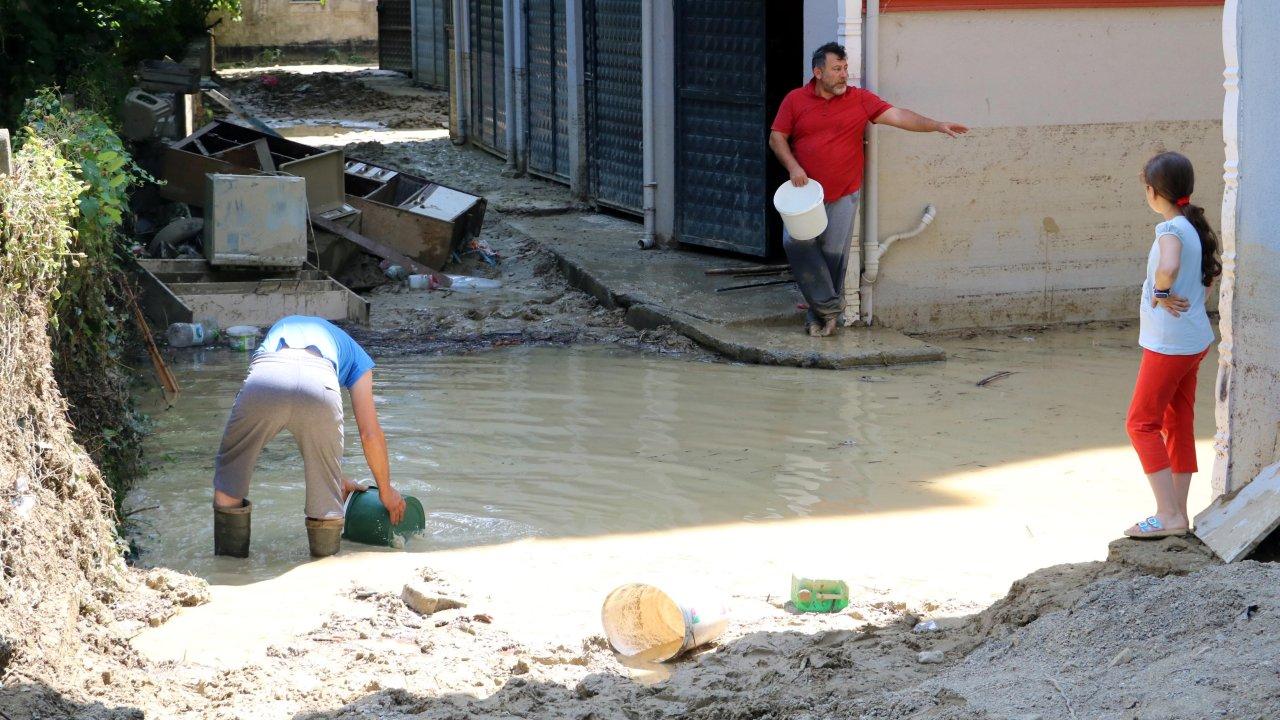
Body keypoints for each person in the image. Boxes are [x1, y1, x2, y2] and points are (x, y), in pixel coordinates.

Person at [769, 42, 968, 337]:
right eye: (837, 69)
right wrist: (793, 167)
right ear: (818, 72)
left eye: (845, 68)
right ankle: (829, 309)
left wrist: (936, 125)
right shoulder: (795, 100)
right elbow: (777, 138)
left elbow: (899, 116)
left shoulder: (860, 100)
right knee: (795, 244)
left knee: (833, 258)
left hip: (844, 193)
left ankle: (820, 318)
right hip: (805, 195)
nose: (844, 75)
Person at [211, 315, 407, 558]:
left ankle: (228, 568)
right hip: (320, 383)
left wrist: (338, 477)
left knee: (231, 476)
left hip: (266, 375)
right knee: (326, 502)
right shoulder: (359, 357)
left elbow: (283, 403)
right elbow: (369, 433)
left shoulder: (283, 326)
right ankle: (324, 566)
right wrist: (385, 491)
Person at [1124, 151, 1220, 539]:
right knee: (1177, 422)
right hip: (1193, 342)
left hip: (1169, 344)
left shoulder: (1170, 230)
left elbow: (1169, 265)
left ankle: (1167, 515)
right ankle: (1179, 511)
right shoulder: (1193, 226)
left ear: (1152, 191)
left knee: (1140, 424)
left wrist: (1161, 291)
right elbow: (1206, 279)